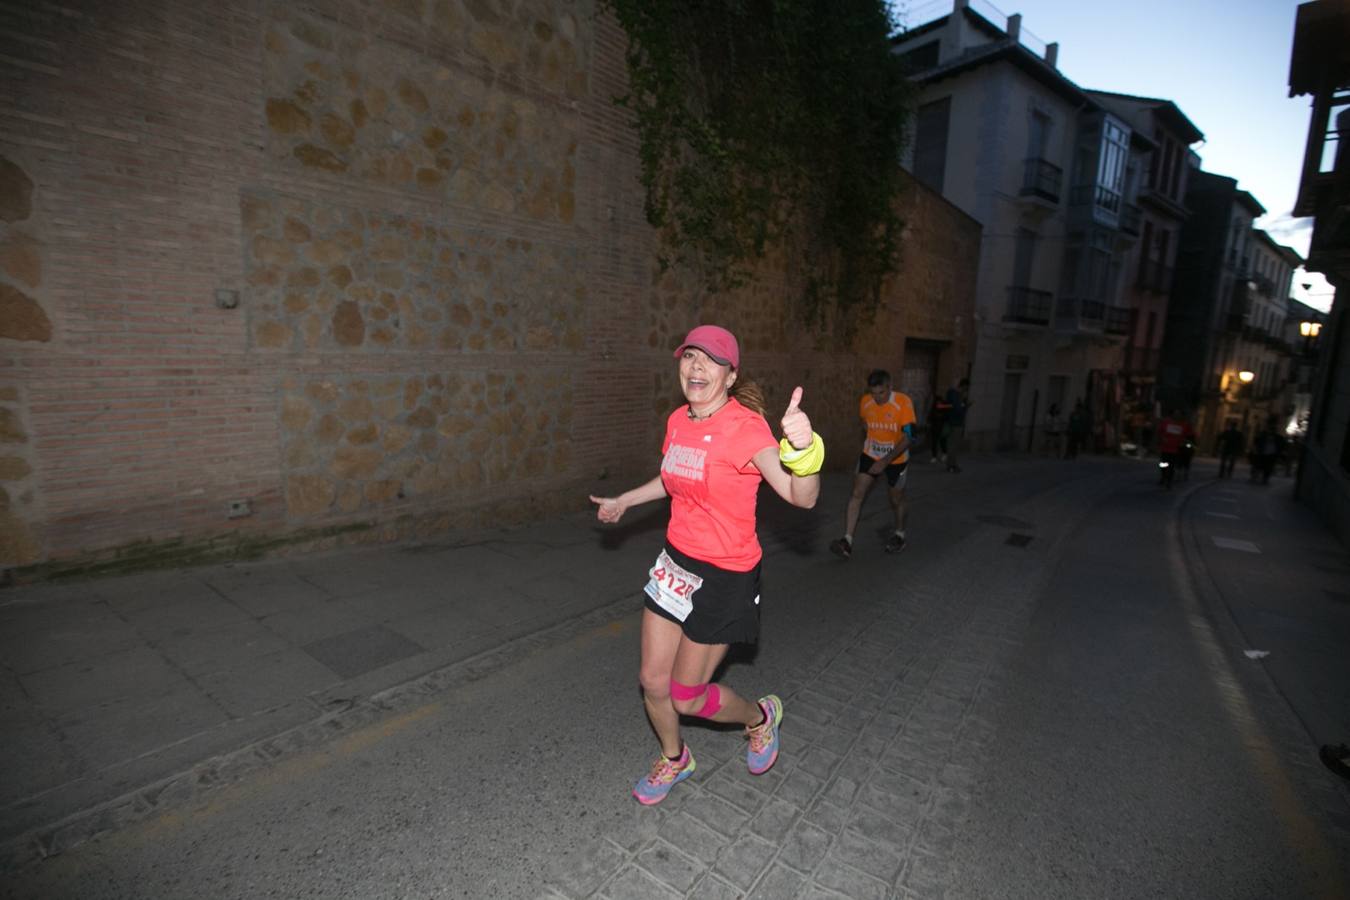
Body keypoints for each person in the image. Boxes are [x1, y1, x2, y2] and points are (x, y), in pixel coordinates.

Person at [590, 325, 822, 806]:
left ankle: (758, 719)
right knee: (652, 681)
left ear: (730, 375)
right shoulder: (678, 420)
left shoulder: (746, 428)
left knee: (687, 696)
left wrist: (804, 451)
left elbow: (801, 497)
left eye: (710, 360)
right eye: (690, 356)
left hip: (725, 576)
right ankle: (676, 759)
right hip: (675, 564)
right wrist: (625, 500)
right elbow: (675, 477)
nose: (696, 366)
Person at [828, 370, 916, 559]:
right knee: (857, 494)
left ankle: (900, 534)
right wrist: (872, 436)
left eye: (881, 393)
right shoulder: (866, 402)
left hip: (896, 459)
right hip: (870, 454)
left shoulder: (903, 403)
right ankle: (847, 541)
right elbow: (864, 421)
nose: (877, 398)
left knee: (896, 499)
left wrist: (885, 461)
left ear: (889, 387)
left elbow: (910, 436)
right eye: (873, 393)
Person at [1156, 409, 1194, 489]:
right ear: (1172, 414)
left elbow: (1189, 434)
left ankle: (1169, 481)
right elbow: (1160, 431)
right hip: (1165, 448)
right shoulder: (1166, 422)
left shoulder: (1184, 424)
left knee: (1172, 465)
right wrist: (1162, 438)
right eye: (1175, 414)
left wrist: (1185, 441)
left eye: (1179, 414)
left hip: (1176, 449)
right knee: (1163, 464)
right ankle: (1163, 476)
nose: (1177, 416)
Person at [943, 377, 970, 473]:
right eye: (966, 388)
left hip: (953, 422)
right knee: (952, 446)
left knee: (952, 445)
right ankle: (951, 465)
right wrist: (965, 406)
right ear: (964, 386)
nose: (966, 391)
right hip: (955, 423)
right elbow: (957, 409)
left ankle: (952, 465)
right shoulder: (956, 395)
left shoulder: (953, 394)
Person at [927, 388, 950, 464]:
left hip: (941, 427)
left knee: (942, 441)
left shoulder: (945, 405)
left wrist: (940, 416)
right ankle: (934, 457)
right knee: (934, 442)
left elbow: (946, 416)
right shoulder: (934, 405)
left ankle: (944, 453)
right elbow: (931, 415)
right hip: (935, 427)